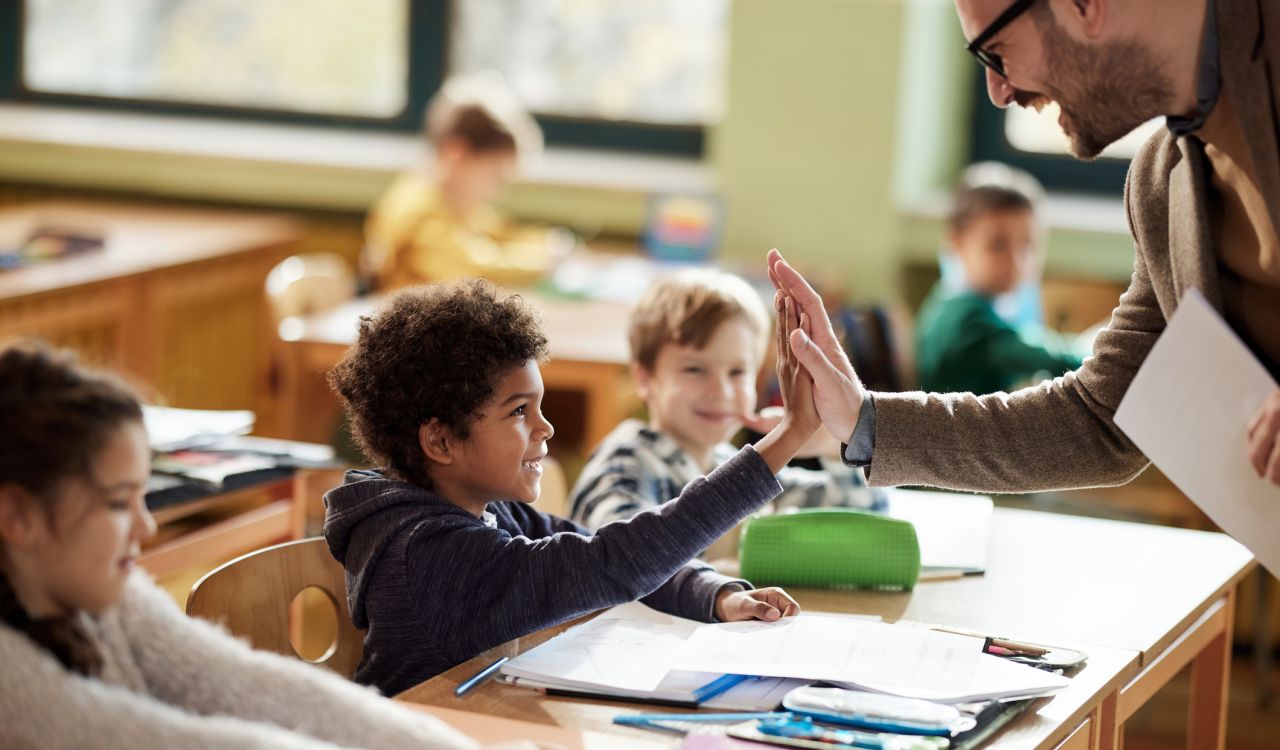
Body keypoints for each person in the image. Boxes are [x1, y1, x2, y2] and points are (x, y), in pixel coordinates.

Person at [767, 0, 1280, 491]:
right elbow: (1102, 416)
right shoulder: (1161, 184)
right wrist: (865, 419)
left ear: (1082, 4)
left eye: (997, 51)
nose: (998, 91)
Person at [324, 278, 817, 695]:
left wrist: (714, 595)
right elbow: (614, 563)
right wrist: (786, 437)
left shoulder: (486, 509)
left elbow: (611, 551)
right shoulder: (432, 555)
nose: (546, 429)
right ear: (441, 440)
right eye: (519, 411)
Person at [0, 341, 477, 750]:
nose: (145, 527)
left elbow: (246, 683)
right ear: (17, 517)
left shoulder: (103, 594)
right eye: (118, 503)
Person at [569, 268, 887, 532]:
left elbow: (862, 521)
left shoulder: (728, 464)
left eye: (737, 372)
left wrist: (834, 448)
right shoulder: (625, 463)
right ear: (644, 378)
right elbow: (625, 559)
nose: (720, 391)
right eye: (694, 370)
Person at [364, 73, 572, 291]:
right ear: (457, 153)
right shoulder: (420, 212)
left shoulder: (448, 198)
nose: (496, 192)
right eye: (495, 177)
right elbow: (475, 272)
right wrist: (546, 262)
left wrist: (549, 243)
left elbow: (499, 233)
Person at [915, 164, 1086, 395]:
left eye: (1027, 245)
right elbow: (1060, 360)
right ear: (956, 242)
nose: (1017, 263)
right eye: (998, 246)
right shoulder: (968, 323)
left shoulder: (952, 298)